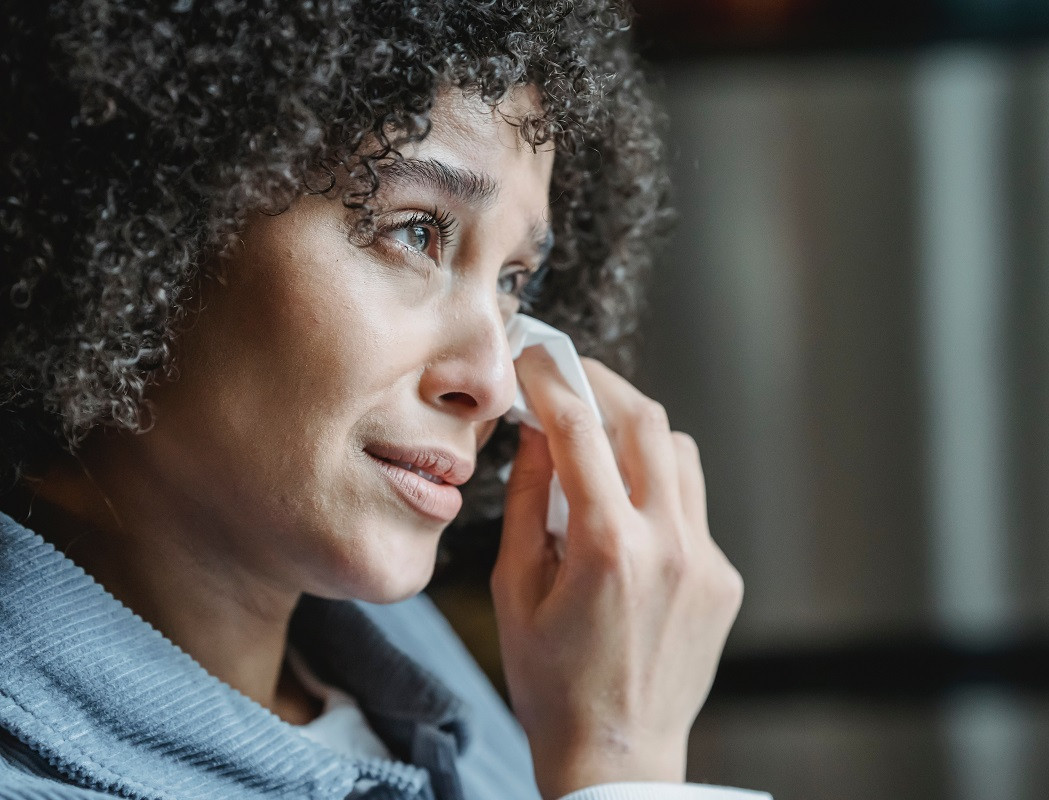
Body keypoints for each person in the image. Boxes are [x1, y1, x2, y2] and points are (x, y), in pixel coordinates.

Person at [0, 2, 763, 799]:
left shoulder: (387, 659)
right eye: (415, 232)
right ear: (153, 213)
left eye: (514, 282)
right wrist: (621, 770)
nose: (495, 381)